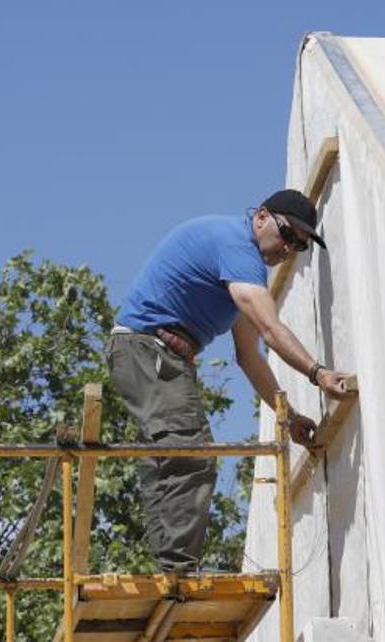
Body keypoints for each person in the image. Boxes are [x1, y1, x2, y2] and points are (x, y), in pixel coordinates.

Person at [106, 188, 352, 572]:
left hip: (154, 355)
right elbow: (271, 329)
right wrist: (319, 374)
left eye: (299, 247)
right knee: (191, 452)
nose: (288, 250)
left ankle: (171, 569)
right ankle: (178, 574)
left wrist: (288, 419)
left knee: (171, 457)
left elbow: (249, 357)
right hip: (149, 351)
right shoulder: (238, 249)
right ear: (262, 218)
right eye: (287, 235)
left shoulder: (236, 273)